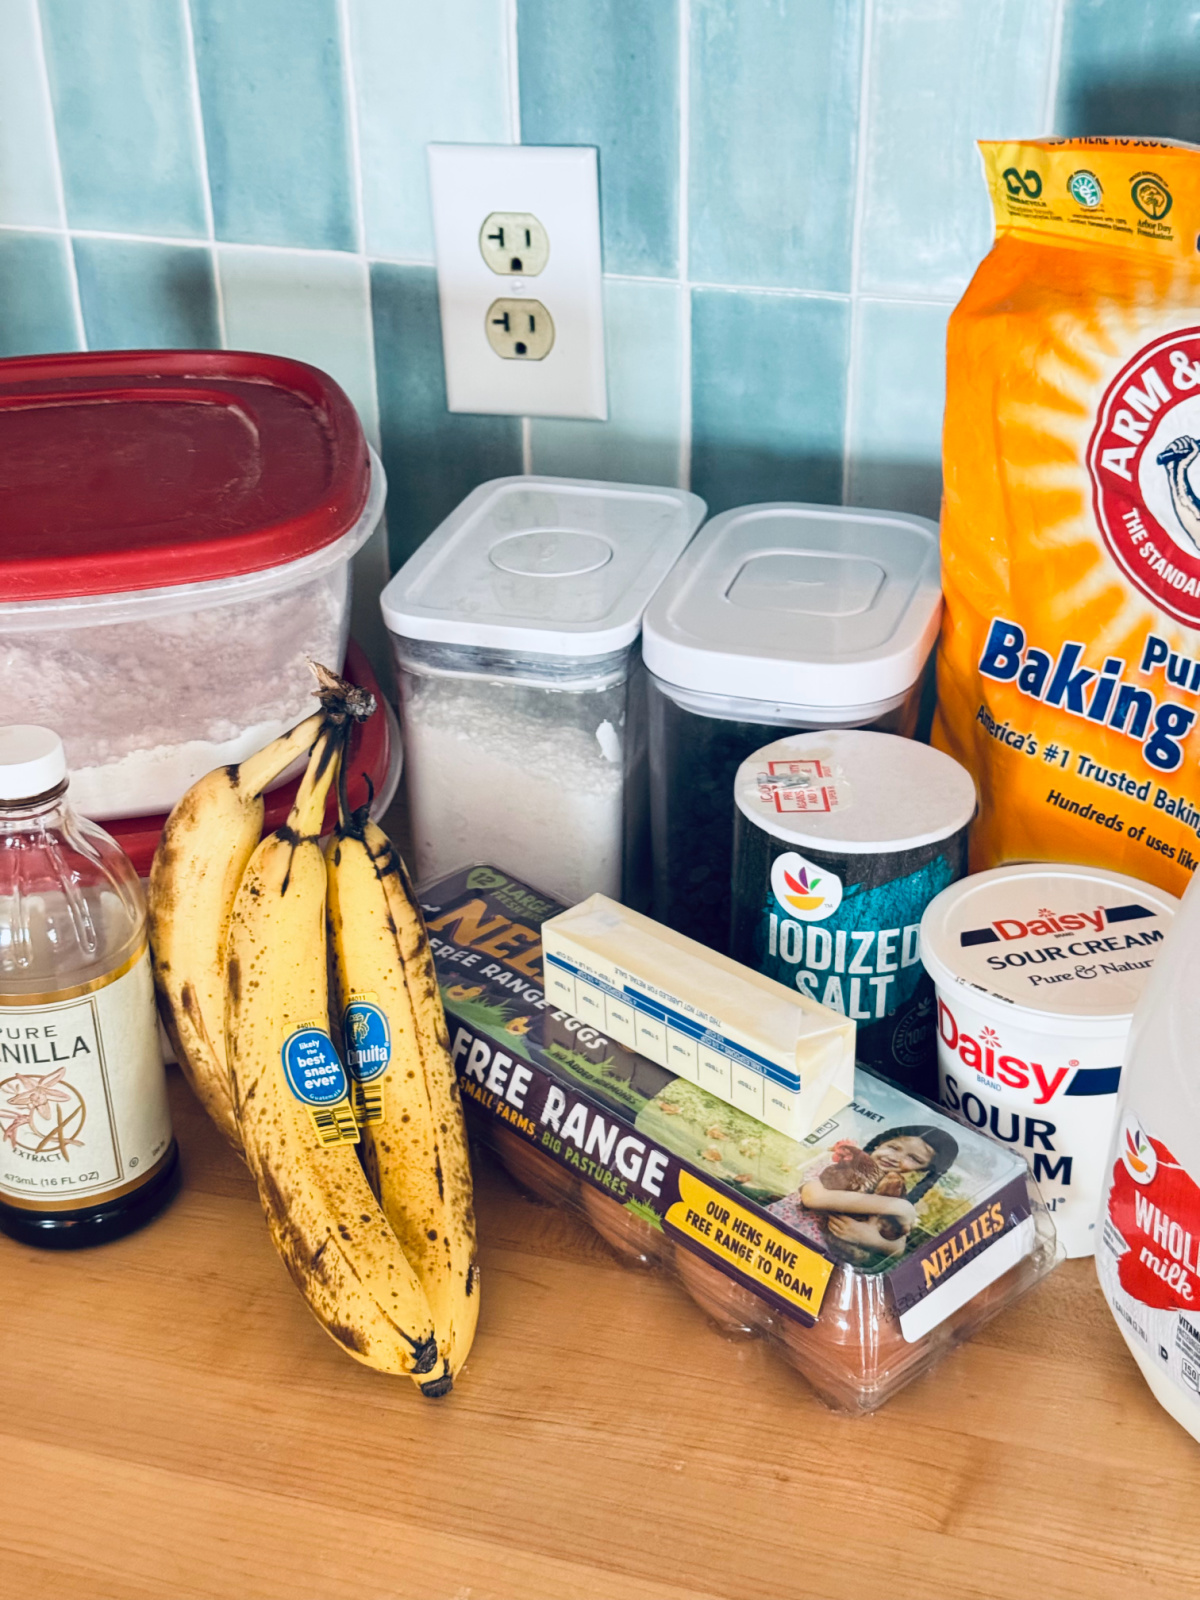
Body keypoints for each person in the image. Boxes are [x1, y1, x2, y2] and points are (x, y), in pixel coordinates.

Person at [768, 1124, 958, 1265]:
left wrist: (866, 1237)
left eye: (914, 1159)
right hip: (774, 1229)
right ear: (879, 1144)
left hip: (814, 1257)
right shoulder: (841, 1163)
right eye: (893, 1147)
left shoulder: (894, 1191)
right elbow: (814, 1198)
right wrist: (898, 1207)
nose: (895, 1158)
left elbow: (898, 1247)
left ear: (923, 1170)